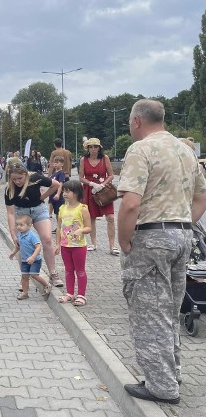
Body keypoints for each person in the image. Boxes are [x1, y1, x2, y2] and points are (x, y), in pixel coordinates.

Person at [118, 99, 206, 404]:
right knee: (169, 310)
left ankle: (162, 387)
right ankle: (173, 372)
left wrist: (124, 240)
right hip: (182, 237)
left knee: (149, 315)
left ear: (137, 121)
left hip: (150, 238)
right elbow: (201, 197)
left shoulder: (140, 150)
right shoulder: (186, 150)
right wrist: (180, 225)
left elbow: (130, 204)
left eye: (129, 122)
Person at [5, 163, 64, 287]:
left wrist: (42, 197)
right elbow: (10, 213)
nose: (17, 182)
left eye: (20, 178)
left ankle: (53, 273)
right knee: (22, 243)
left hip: (39, 209)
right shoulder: (9, 188)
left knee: (47, 239)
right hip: (21, 212)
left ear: (25, 175)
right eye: (14, 179)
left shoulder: (35, 178)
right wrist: (13, 234)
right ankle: (25, 277)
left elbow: (56, 185)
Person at [55, 180, 91, 306]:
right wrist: (57, 244)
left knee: (80, 270)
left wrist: (80, 230)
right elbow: (59, 227)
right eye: (64, 191)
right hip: (65, 246)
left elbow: (89, 227)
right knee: (68, 270)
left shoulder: (82, 209)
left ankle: (81, 295)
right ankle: (70, 293)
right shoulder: (62, 208)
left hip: (79, 246)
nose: (64, 193)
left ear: (76, 193)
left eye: (67, 191)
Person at [78, 138, 117, 254]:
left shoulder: (105, 158)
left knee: (110, 217)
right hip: (89, 191)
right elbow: (81, 177)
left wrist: (102, 184)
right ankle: (93, 243)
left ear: (99, 148)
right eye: (91, 147)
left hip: (103, 191)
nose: (93, 149)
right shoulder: (83, 160)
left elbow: (111, 175)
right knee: (91, 218)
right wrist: (91, 183)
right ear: (88, 148)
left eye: (96, 147)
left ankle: (112, 245)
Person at [8, 214, 51, 299]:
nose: (19, 227)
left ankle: (47, 285)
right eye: (17, 225)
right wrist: (13, 253)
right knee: (24, 276)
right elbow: (18, 246)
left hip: (35, 260)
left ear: (29, 225)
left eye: (21, 225)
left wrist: (33, 257)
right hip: (24, 260)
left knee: (34, 275)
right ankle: (25, 293)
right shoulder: (19, 235)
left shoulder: (32, 236)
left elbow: (38, 247)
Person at [48, 156, 67, 223]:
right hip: (52, 195)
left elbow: (60, 184)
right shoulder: (53, 174)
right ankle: (58, 227)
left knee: (59, 213)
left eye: (57, 162)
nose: (55, 164)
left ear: (62, 164)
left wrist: (58, 194)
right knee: (56, 213)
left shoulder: (61, 173)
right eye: (54, 162)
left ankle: (61, 227)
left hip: (58, 196)